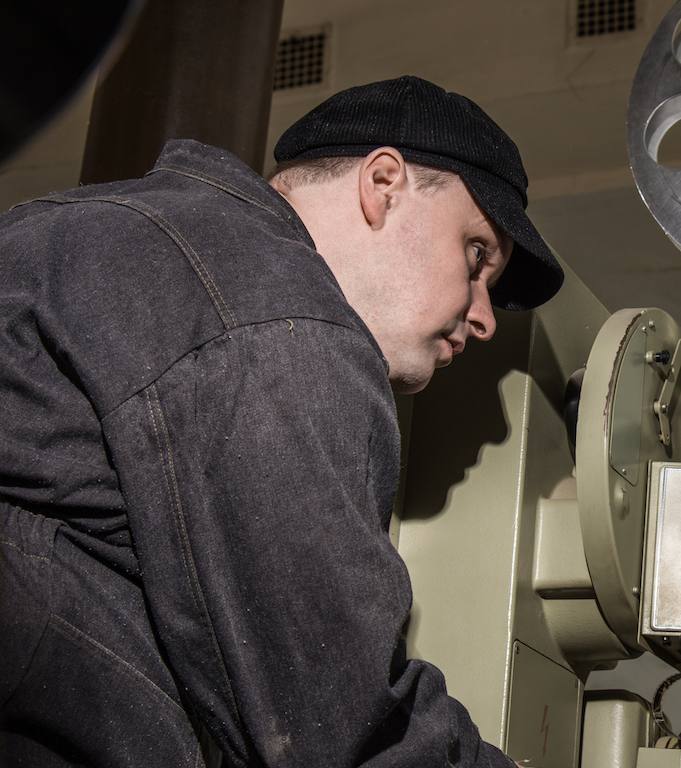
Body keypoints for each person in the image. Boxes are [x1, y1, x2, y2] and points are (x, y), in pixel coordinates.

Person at [0, 76, 562, 766]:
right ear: (383, 185)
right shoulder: (272, 315)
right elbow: (337, 725)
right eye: (477, 256)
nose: (481, 317)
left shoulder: (75, 225)